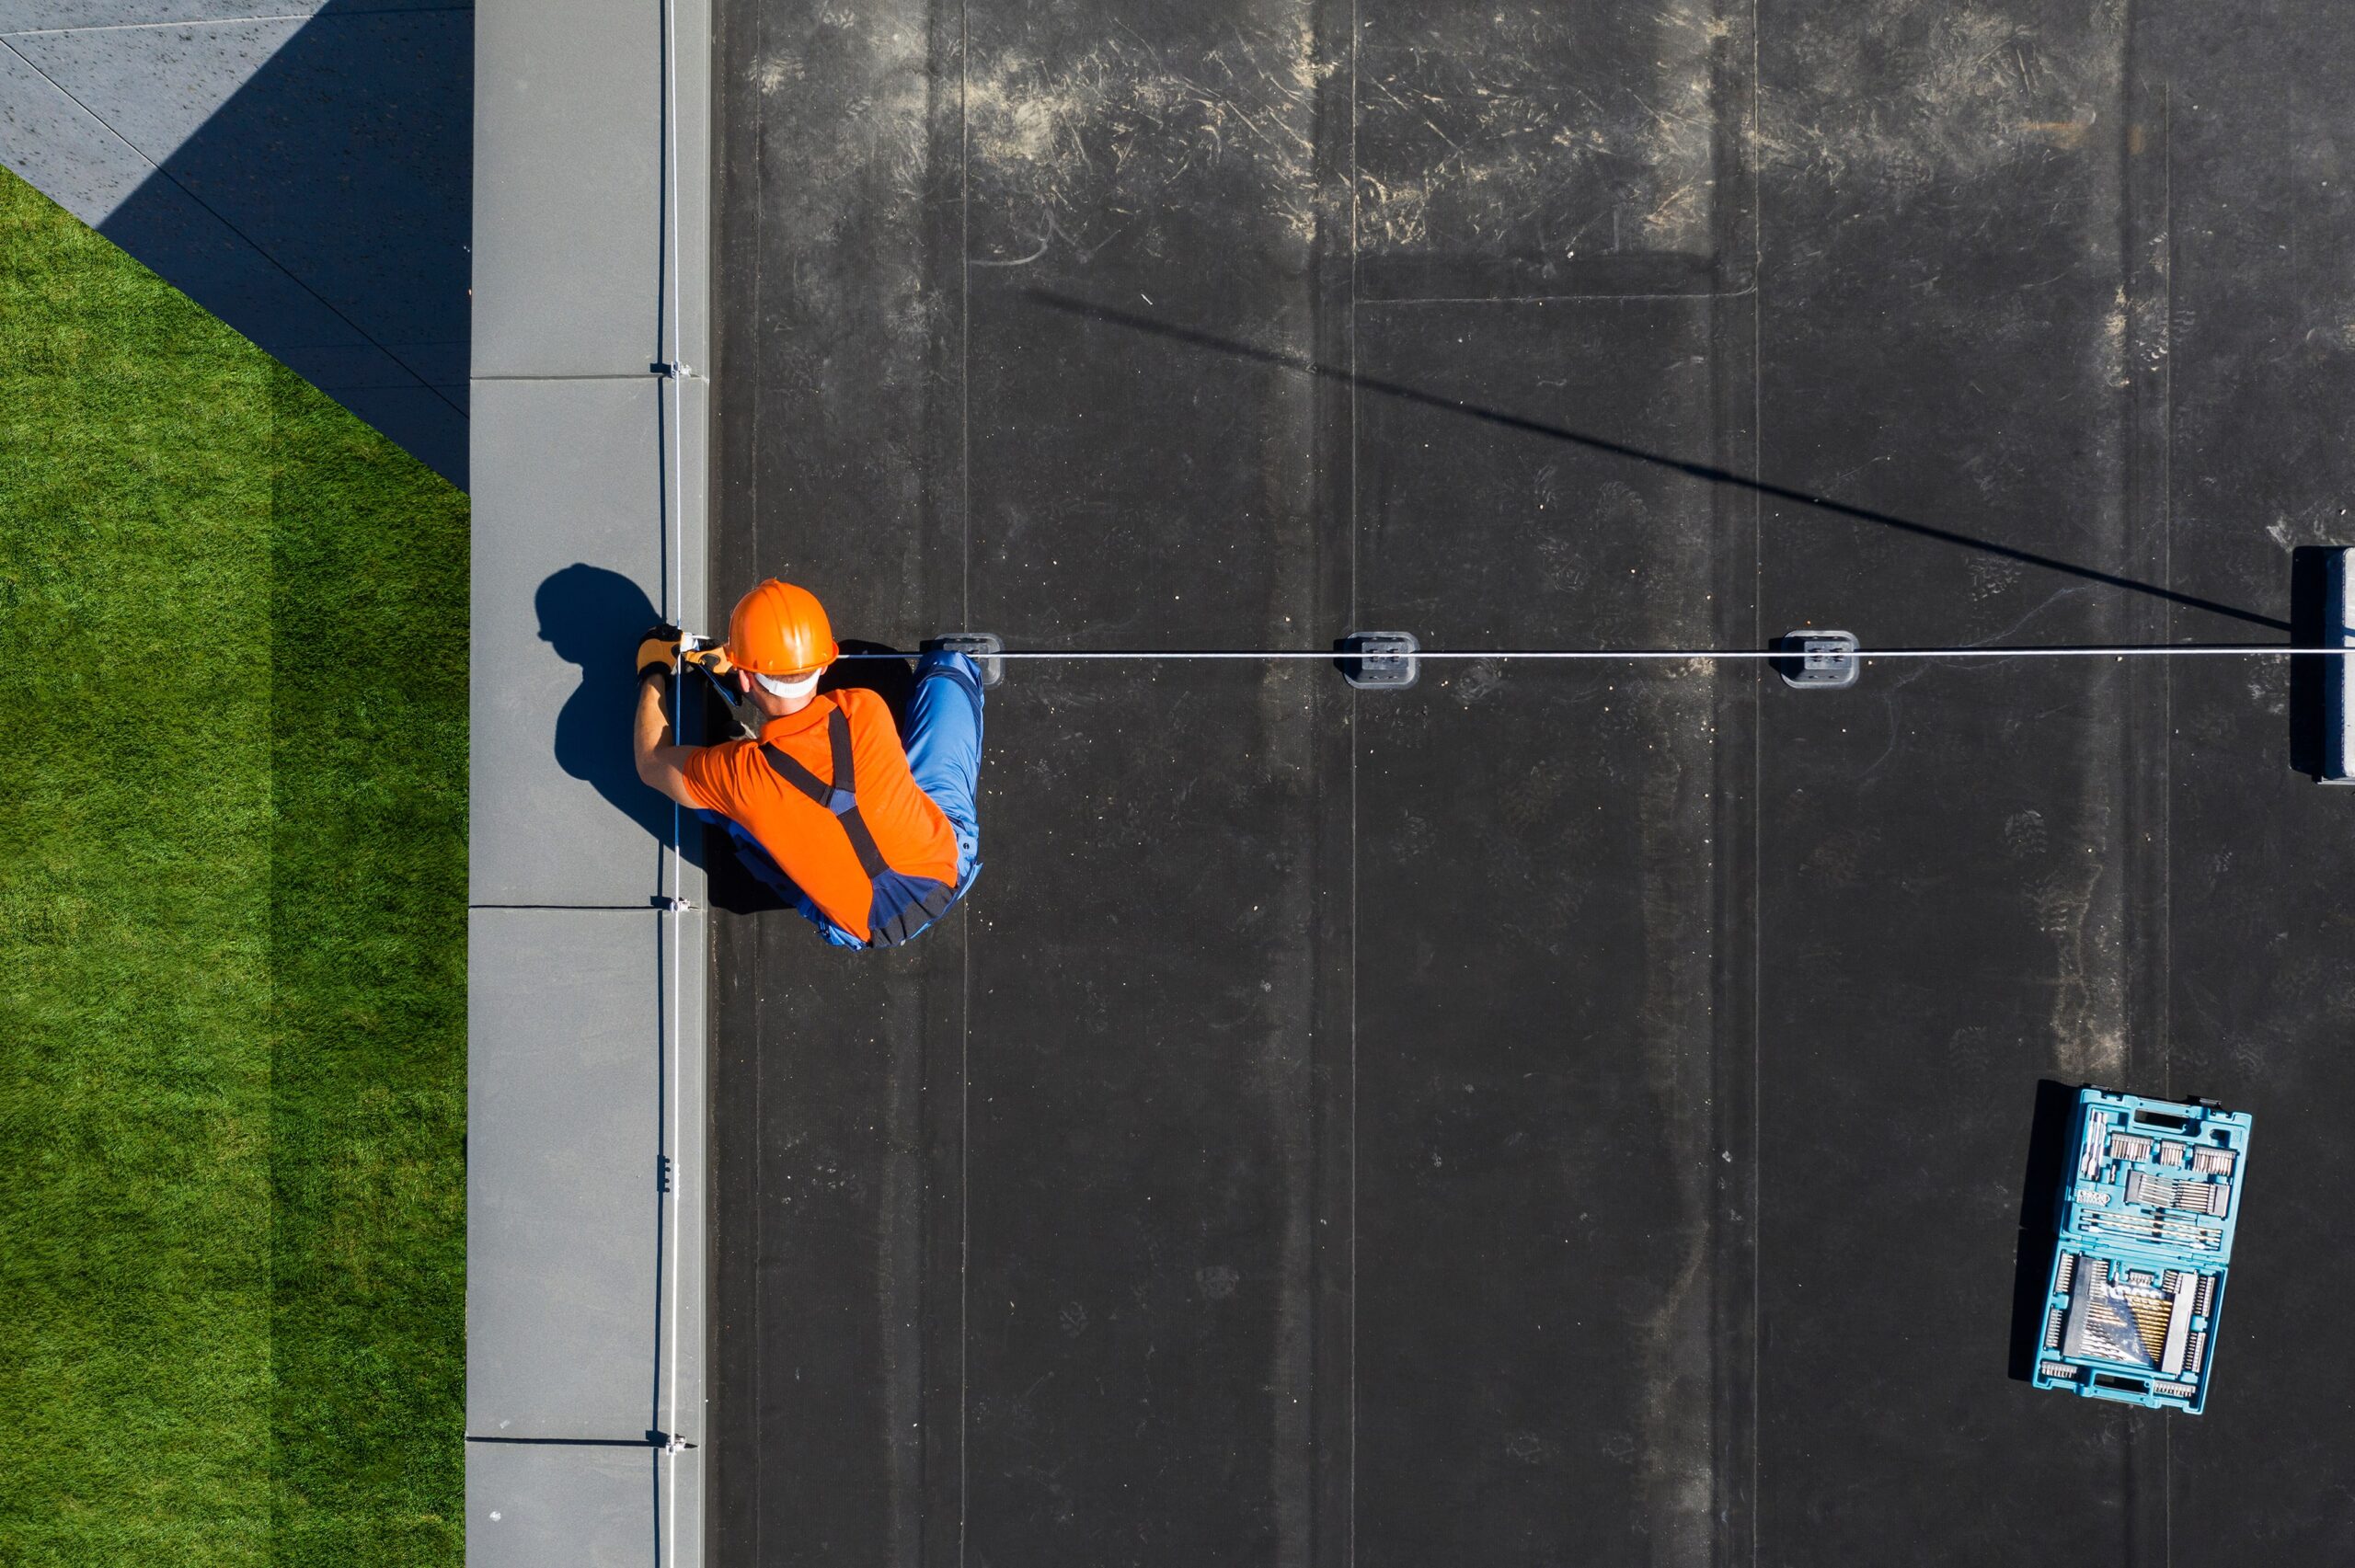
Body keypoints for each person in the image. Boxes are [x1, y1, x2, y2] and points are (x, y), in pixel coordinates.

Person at [630, 578, 984, 948]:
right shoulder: (866, 707)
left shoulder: (735, 774)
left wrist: (653, 670)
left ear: (747, 681)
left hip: (865, 930)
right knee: (948, 667)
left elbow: (651, 761)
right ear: (823, 662)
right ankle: (957, 666)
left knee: (725, 808)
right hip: (948, 865)